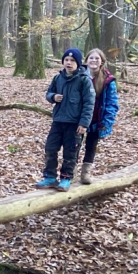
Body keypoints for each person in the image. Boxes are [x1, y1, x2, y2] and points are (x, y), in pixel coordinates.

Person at [36, 47, 96, 192]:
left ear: (78, 63)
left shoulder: (84, 80)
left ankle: (66, 177)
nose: (69, 63)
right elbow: (49, 93)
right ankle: (50, 177)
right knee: (50, 148)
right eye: (66, 60)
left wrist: (84, 123)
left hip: (74, 124)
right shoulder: (58, 78)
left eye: (72, 60)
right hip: (58, 121)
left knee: (70, 152)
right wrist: (53, 97)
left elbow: (89, 103)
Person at [80, 48, 119, 184]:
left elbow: (112, 102)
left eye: (97, 58)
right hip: (79, 119)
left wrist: (107, 121)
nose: (94, 60)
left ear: (102, 61)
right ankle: (70, 172)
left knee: (91, 146)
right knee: (74, 144)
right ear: (86, 61)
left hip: (97, 119)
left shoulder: (108, 80)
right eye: (91, 58)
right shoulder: (79, 76)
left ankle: (85, 173)